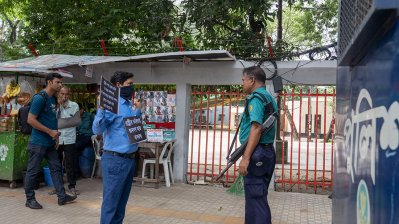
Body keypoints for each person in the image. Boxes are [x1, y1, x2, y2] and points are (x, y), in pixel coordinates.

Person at [92, 71, 141, 224]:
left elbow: (131, 128)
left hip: (129, 160)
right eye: (129, 84)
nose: (132, 87)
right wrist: (101, 108)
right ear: (118, 85)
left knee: (121, 203)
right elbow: (97, 130)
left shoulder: (127, 105)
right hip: (115, 159)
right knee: (111, 202)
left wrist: (138, 110)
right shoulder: (112, 105)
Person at [24, 73, 77, 209]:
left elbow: (53, 120)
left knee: (56, 168)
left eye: (61, 82)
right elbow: (30, 120)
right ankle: (30, 199)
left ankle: (61, 196)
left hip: (50, 142)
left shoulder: (53, 99)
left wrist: (56, 137)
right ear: (49, 82)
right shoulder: (39, 98)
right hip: (38, 142)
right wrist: (49, 132)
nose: (60, 85)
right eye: (58, 82)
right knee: (33, 171)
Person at [237, 66, 278, 224]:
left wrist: (246, 158)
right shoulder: (268, 97)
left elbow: (256, 127)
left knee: (256, 199)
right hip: (265, 153)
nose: (242, 84)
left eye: (243, 80)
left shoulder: (256, 98)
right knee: (258, 197)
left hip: (257, 153)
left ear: (252, 80)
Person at [57, 86, 80, 196]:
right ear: (59, 94)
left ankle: (72, 186)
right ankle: (58, 187)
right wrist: (59, 106)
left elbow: (75, 122)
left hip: (70, 139)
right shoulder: (55, 105)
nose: (64, 96)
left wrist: (61, 123)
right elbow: (52, 120)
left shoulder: (74, 105)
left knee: (70, 164)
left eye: (66, 94)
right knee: (56, 164)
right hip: (57, 138)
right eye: (62, 94)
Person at [75, 102, 95, 176]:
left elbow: (95, 128)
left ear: (82, 109)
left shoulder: (89, 116)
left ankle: (76, 173)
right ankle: (76, 172)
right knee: (72, 149)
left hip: (87, 137)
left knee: (74, 148)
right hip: (78, 136)